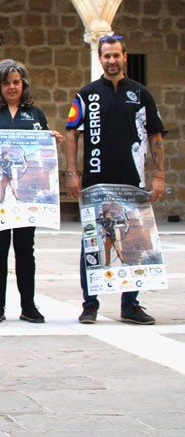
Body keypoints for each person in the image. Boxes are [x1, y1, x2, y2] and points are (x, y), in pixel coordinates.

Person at [65, 34, 165, 325]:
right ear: (100, 58)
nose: (111, 60)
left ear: (125, 56)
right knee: (93, 242)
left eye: (116, 55)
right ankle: (90, 303)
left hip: (132, 183)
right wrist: (73, 173)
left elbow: (156, 136)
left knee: (134, 241)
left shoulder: (142, 95)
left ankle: (130, 305)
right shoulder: (86, 94)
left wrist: (158, 175)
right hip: (97, 181)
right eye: (106, 56)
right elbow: (72, 133)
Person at [0, 59, 62, 324]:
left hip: (26, 193)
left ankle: (28, 305)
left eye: (16, 82)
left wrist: (50, 140)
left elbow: (42, 149)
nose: (12, 87)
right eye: (7, 82)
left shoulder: (35, 115)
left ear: (23, 84)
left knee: (25, 248)